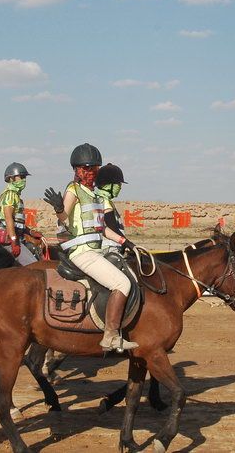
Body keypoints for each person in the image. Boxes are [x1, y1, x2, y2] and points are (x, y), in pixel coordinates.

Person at [43, 144, 139, 352]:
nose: (90, 173)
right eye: (85, 169)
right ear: (77, 170)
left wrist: (126, 242)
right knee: (122, 284)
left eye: (94, 169)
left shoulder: (95, 195)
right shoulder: (73, 189)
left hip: (96, 251)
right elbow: (64, 218)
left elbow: (103, 229)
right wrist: (59, 207)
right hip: (82, 253)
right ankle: (111, 336)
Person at [0, 162, 41, 266]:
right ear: (11, 178)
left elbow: (17, 222)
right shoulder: (10, 195)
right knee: (33, 265)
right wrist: (13, 241)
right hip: (9, 239)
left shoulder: (16, 196)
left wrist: (31, 232)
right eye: (21, 177)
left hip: (18, 236)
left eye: (25, 177)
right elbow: (8, 218)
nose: (24, 180)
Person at [96, 163, 130, 255]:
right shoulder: (104, 201)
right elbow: (113, 227)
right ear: (108, 185)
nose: (120, 186)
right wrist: (128, 244)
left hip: (113, 245)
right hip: (109, 249)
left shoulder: (102, 199)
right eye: (117, 184)